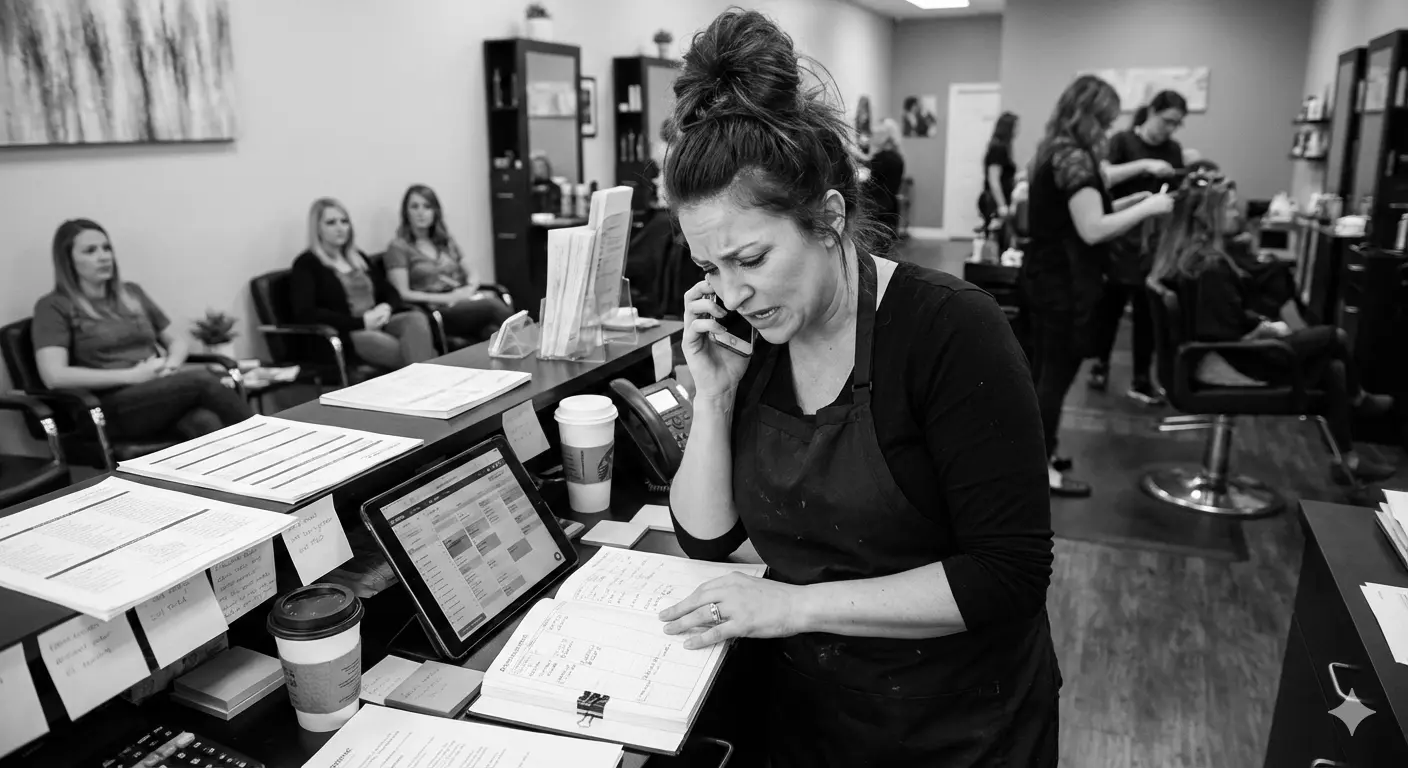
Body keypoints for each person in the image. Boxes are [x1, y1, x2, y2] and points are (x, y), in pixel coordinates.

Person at [657, 10, 1059, 766]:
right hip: (814, 712)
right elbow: (707, 537)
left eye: (750, 257)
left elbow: (1007, 576)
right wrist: (711, 398)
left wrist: (793, 606)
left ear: (830, 218)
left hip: (959, 724)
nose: (733, 293)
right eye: (710, 269)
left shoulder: (950, 332)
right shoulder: (758, 338)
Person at [1151, 174, 1395, 483]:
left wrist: (1260, 323)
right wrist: (1265, 331)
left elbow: (1224, 319)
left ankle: (1348, 459)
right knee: (1334, 336)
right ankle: (1357, 400)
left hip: (1212, 357)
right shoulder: (1210, 265)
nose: (1236, 214)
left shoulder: (1188, 256)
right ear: (1207, 217)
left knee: (1332, 367)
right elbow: (1222, 333)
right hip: (1230, 361)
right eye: (1228, 209)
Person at [1022, 75, 1175, 497]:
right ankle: (1039, 469)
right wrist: (1150, 205)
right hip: (1063, 283)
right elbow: (1092, 228)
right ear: (1088, 117)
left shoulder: (1054, 151)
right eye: (1105, 123)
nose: (1107, 132)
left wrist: (1135, 203)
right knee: (1054, 376)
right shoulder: (1072, 157)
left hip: (1046, 275)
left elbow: (1091, 210)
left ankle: (1042, 455)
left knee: (1046, 372)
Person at [32, 219, 253, 441]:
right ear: (68, 260)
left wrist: (171, 365)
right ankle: (274, 442)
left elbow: (176, 341)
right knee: (202, 380)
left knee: (204, 421)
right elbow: (54, 376)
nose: (104, 256)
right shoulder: (53, 306)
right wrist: (131, 376)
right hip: (105, 406)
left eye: (106, 248)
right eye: (90, 251)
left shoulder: (131, 293)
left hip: (157, 393)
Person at [1087, 90, 1189, 404]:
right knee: (1111, 308)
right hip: (1119, 239)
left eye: (1176, 124)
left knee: (1148, 312)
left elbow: (1174, 194)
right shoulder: (1122, 142)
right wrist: (1145, 165)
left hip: (1154, 244)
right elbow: (1103, 177)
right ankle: (1099, 364)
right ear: (1152, 112)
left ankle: (1142, 378)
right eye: (1166, 120)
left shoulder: (1173, 149)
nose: (1169, 129)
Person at [291, 198, 435, 370]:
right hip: (349, 332)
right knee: (422, 354)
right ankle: (431, 375)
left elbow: (391, 292)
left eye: (344, 222)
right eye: (331, 223)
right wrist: (361, 322)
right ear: (318, 229)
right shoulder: (307, 264)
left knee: (415, 318)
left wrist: (386, 308)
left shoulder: (357, 257)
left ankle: (426, 378)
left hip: (380, 321)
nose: (340, 228)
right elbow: (307, 312)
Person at [384, 185, 514, 345]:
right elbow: (403, 293)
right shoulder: (398, 247)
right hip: (435, 311)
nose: (421, 212)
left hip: (462, 302)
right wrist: (447, 298)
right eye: (414, 206)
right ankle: (534, 339)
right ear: (406, 212)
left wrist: (469, 289)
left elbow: (470, 271)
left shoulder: (444, 241)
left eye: (427, 206)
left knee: (493, 333)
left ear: (435, 211)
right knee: (492, 306)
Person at [979, 111, 1019, 250]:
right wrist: (1002, 206)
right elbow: (994, 180)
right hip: (994, 201)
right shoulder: (998, 149)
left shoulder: (1002, 148)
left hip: (996, 200)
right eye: (1015, 127)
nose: (1017, 131)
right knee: (997, 240)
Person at [866, 118, 905, 247]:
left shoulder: (881, 158)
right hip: (891, 207)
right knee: (886, 251)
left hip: (878, 208)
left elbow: (870, 179)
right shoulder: (897, 157)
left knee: (877, 251)